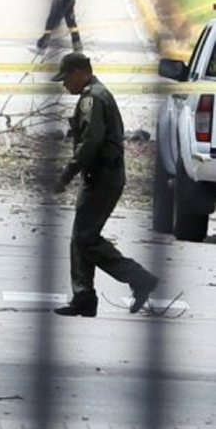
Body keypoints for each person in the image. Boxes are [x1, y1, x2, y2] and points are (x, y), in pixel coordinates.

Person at [50, 52, 159, 317]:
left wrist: (66, 174)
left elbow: (91, 141)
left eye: (66, 79)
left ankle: (138, 277)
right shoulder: (96, 94)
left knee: (85, 238)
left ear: (79, 73)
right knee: (81, 238)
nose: (65, 85)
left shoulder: (93, 98)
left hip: (102, 178)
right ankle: (84, 297)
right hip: (100, 177)